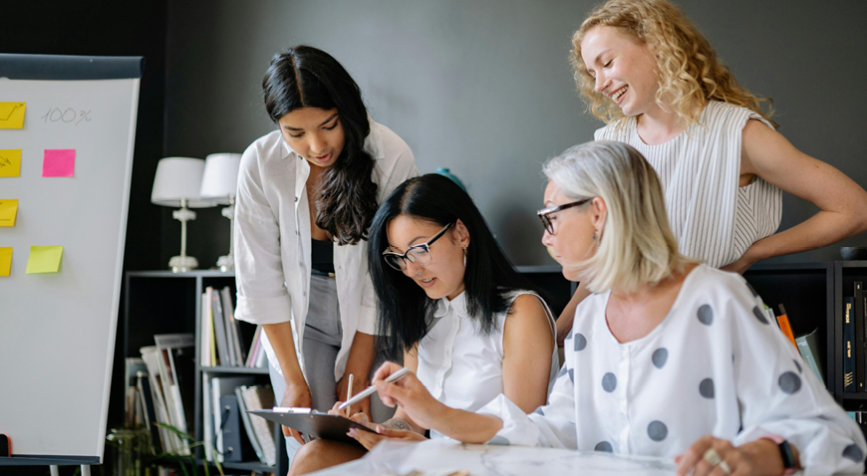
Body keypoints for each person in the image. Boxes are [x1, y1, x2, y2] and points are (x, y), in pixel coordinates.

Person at [369, 142, 866, 475]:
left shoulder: (716, 298)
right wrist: (432, 412)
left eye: (550, 219)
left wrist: (759, 455)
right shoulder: (590, 319)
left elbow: (833, 435)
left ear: (599, 213)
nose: (545, 238)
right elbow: (552, 429)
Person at [555, 0, 867, 345]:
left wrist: (752, 253)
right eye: (592, 73)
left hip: (701, 337)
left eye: (607, 63)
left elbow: (855, 209)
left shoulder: (738, 135)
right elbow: (604, 262)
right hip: (616, 340)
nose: (599, 84)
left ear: (657, 43)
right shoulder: (608, 145)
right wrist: (557, 333)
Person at [286, 174, 559, 475]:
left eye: (420, 250)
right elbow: (408, 420)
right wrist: (374, 431)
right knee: (314, 455)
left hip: (491, 465)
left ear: (461, 234)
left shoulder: (520, 311)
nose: (411, 269)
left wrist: (428, 446)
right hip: (433, 460)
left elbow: (521, 433)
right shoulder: (422, 313)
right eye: (400, 257)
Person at [232, 45, 418, 461]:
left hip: (378, 317)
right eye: (295, 133)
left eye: (328, 126)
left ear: (346, 110)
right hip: (303, 320)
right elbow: (260, 280)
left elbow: (384, 274)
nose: (316, 145)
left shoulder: (391, 154)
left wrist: (357, 370)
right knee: (311, 444)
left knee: (376, 445)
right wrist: (292, 379)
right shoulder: (260, 164)